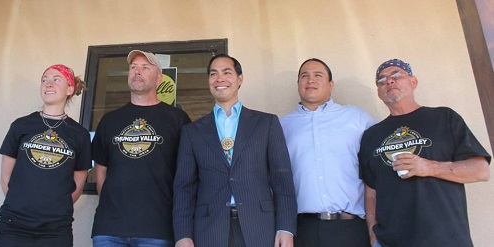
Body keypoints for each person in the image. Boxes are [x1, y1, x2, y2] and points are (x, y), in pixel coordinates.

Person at [358, 58, 491, 247]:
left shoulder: (444, 118)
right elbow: (371, 191)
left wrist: (428, 167)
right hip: (391, 241)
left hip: (445, 239)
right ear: (379, 93)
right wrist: (373, 235)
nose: (389, 81)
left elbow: (481, 170)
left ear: (413, 82)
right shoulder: (372, 135)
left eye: (396, 75)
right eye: (382, 80)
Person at [173, 54, 297, 247]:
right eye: (213, 74)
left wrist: (285, 228)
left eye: (227, 72)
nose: (219, 78)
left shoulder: (266, 123)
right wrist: (183, 235)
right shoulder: (192, 131)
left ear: (240, 79)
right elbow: (184, 187)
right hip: (209, 228)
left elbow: (283, 181)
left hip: (260, 225)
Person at [91, 50, 191, 246]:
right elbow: (100, 172)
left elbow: (187, 174)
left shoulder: (177, 119)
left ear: (159, 79)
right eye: (133, 67)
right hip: (109, 229)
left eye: (145, 68)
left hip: (157, 229)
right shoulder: (109, 120)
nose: (137, 71)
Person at [280, 58, 375, 247]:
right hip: (304, 229)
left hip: (350, 228)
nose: (310, 80)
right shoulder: (282, 125)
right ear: (298, 84)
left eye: (318, 75)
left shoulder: (358, 118)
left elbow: (378, 168)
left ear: (331, 85)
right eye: (304, 76)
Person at [0, 64, 90, 247]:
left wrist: (57, 206)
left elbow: (79, 182)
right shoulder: (21, 125)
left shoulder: (79, 134)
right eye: (44, 80)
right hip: (13, 225)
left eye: (56, 79)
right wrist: (20, 204)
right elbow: (6, 177)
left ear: (70, 89)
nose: (48, 84)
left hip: (56, 230)